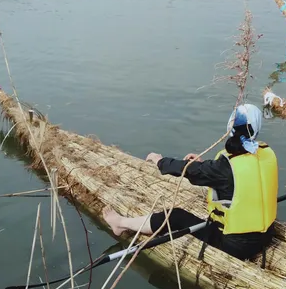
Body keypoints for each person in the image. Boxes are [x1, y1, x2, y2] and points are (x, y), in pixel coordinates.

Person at [102, 104, 277, 261]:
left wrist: (160, 161)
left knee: (175, 216)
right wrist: (203, 164)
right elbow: (237, 180)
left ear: (229, 127)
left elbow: (189, 170)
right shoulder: (266, 153)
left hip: (237, 246)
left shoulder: (224, 167)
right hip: (266, 236)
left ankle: (120, 223)